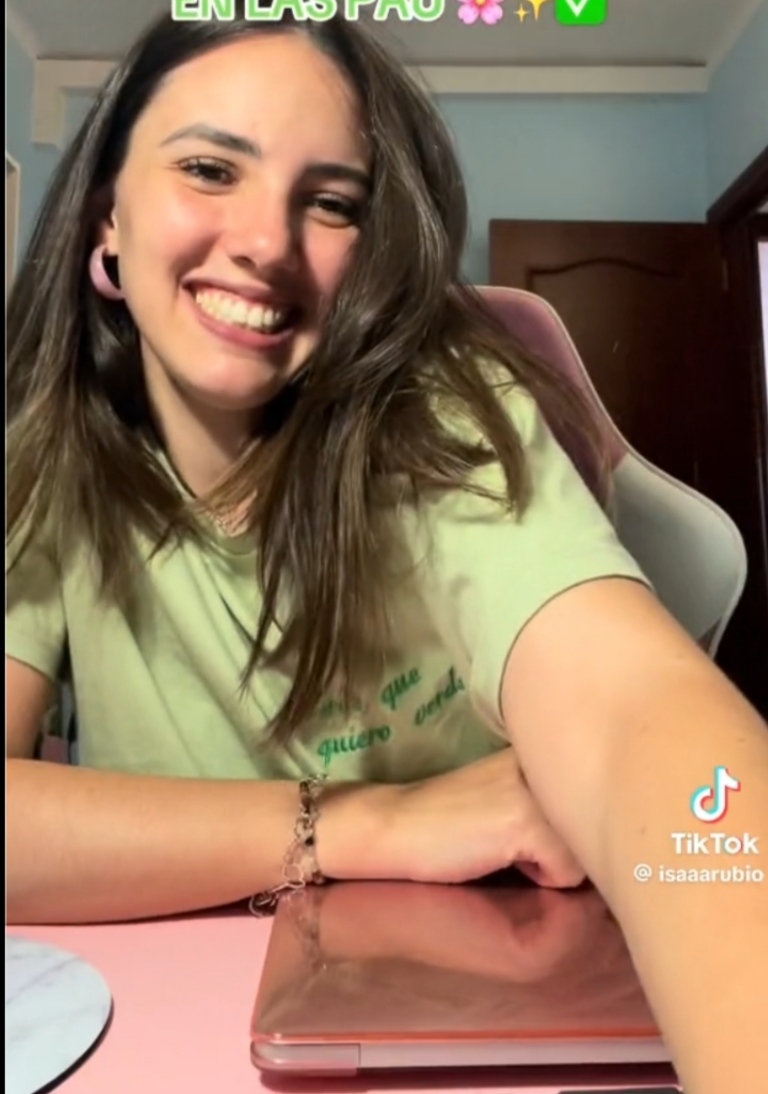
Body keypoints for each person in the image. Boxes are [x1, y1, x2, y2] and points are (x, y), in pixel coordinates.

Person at [5, 7, 767, 1093]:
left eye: (330, 202)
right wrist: (364, 824)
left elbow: (637, 710)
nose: (267, 242)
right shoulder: (45, 470)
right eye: (211, 168)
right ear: (107, 223)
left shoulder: (441, 423)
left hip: (476, 1003)